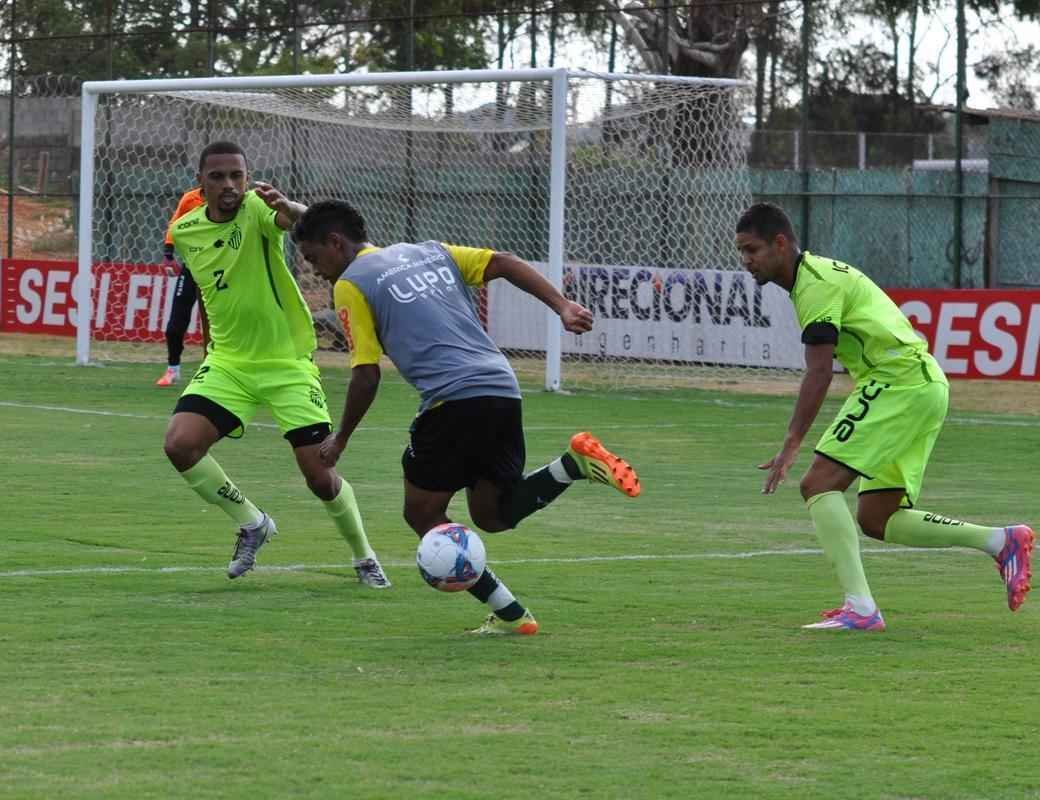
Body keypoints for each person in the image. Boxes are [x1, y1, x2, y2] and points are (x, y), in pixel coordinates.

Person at [291, 199, 641, 635]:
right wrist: (562, 305)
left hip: (450, 402)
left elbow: (365, 373)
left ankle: (510, 612)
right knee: (492, 514)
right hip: (501, 390)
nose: (316, 271)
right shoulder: (430, 251)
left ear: (335, 243)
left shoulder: (352, 284)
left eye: (313, 259)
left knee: (421, 513)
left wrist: (341, 437)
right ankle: (572, 467)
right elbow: (506, 262)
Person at [736, 201, 1034, 631]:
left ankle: (860, 608)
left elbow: (819, 370)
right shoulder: (815, 277)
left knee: (818, 483)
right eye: (742, 252)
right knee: (878, 517)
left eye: (753, 249)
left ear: (781, 243)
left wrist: (791, 443)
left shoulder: (815, 285)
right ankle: (999, 540)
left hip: (898, 380)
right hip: (921, 384)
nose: (747, 261)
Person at [164, 142, 390, 588]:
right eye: (218, 177)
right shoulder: (186, 231)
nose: (230, 185)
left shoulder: (257, 209)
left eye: (237, 175)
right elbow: (211, 290)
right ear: (201, 181)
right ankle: (252, 522)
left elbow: (304, 224)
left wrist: (289, 207)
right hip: (229, 363)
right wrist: (210, 343)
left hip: (286, 363)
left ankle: (364, 556)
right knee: (180, 444)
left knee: (319, 475)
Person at [156, 187, 205, 387]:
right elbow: (174, 224)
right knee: (175, 323)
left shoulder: (234, 202)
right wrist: (168, 254)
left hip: (224, 268)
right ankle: (172, 369)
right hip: (192, 266)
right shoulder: (190, 199)